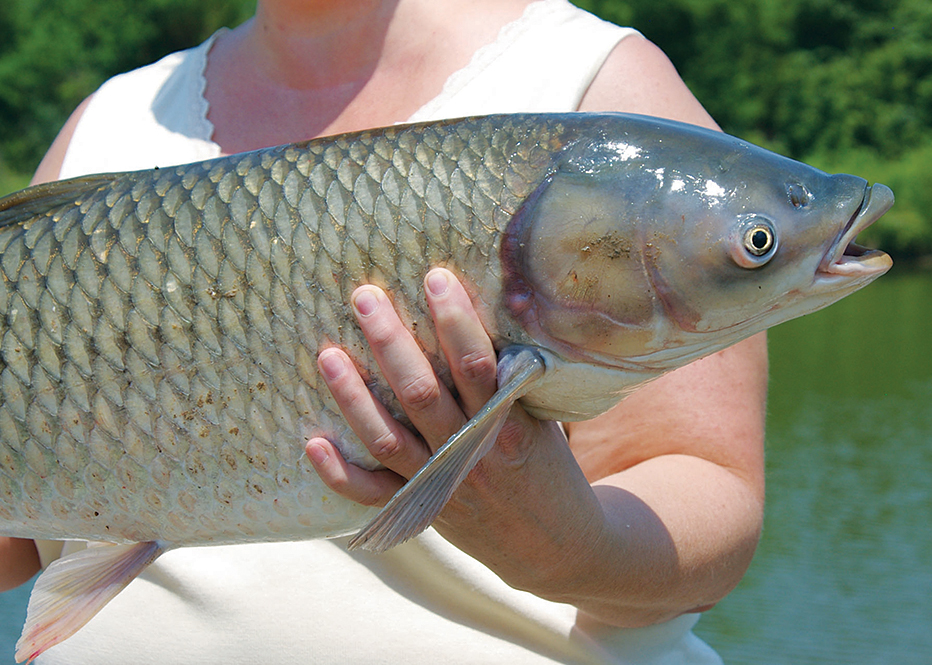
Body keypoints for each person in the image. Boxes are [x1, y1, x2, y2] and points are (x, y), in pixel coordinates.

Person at [1, 0, 766, 662]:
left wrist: (568, 542)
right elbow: (17, 546)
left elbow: (705, 485)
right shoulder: (108, 117)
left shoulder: (594, 84)